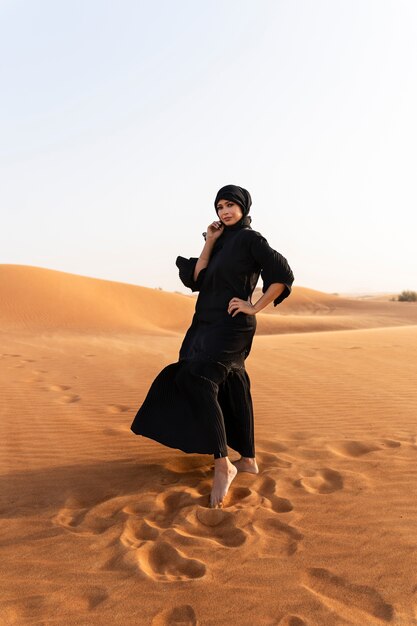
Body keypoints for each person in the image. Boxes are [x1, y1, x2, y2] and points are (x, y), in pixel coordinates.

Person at [130, 184, 294, 508]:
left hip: (232, 324)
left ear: (244, 208)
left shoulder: (251, 239)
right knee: (233, 382)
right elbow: (197, 279)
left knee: (199, 380)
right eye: (219, 206)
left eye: (231, 205)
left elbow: (282, 274)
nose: (225, 211)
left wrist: (254, 306)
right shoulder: (220, 242)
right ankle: (248, 459)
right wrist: (210, 240)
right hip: (204, 323)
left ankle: (224, 464)